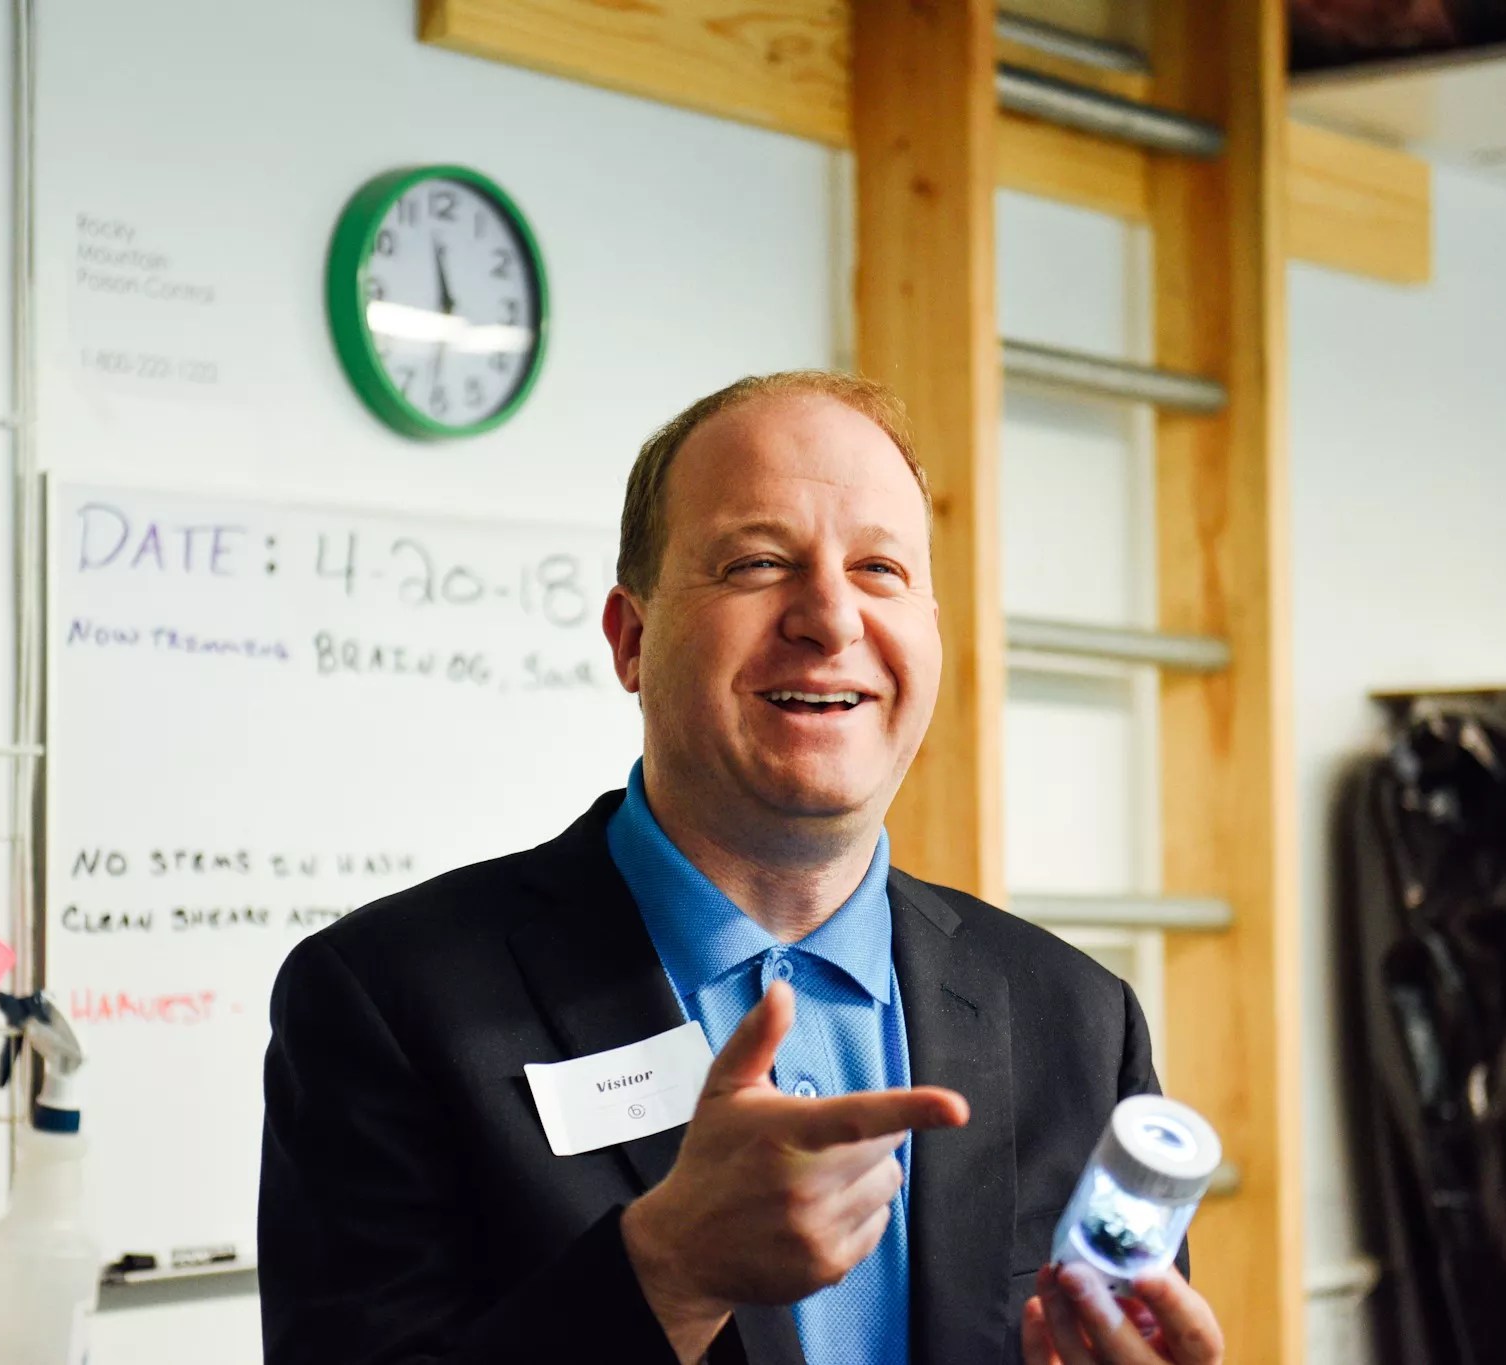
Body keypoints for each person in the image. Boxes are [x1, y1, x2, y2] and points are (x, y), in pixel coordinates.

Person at [260, 371, 1227, 1365]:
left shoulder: (1076, 1019)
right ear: (632, 640)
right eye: (758, 563)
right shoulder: (388, 1003)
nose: (831, 619)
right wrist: (665, 1276)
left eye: (880, 569)